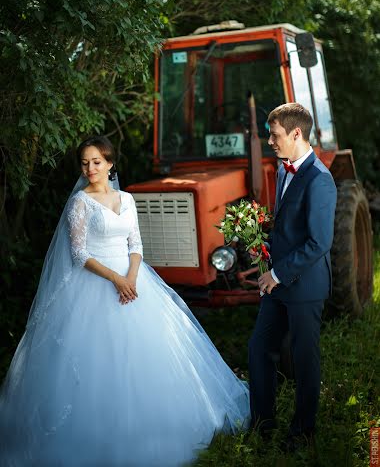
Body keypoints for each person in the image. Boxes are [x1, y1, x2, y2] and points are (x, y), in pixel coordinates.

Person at [0, 136, 250, 467]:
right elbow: (78, 254)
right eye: (85, 163)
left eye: (97, 162)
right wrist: (115, 279)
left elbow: (136, 244)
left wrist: (131, 277)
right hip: (94, 281)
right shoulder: (80, 203)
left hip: (132, 280)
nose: (91, 169)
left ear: (110, 163)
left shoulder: (127, 199)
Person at [248, 103, 337, 451]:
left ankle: (302, 434)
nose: (270, 140)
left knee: (303, 359)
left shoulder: (321, 180)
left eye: (275, 135)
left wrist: (277, 273)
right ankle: (262, 425)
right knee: (259, 349)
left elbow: (319, 241)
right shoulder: (284, 171)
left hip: (304, 287)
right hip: (278, 283)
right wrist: (263, 246)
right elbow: (287, 228)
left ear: (296, 134)